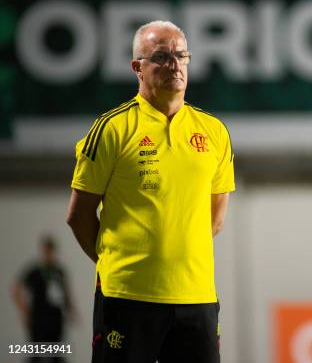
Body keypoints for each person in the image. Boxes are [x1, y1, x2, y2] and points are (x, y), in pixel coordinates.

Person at [66, 20, 235, 363]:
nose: (174, 64)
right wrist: (118, 263)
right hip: (127, 297)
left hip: (197, 299)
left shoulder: (214, 131)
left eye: (181, 55)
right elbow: (79, 217)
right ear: (137, 68)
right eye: (161, 56)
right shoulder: (112, 128)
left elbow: (215, 219)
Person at [12, 235, 76, 363]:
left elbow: (66, 293)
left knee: (56, 353)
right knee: (36, 353)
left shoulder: (59, 271)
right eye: (46, 251)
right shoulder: (35, 271)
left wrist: (71, 311)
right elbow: (16, 289)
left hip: (55, 318)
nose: (49, 254)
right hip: (38, 318)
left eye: (50, 250)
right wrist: (24, 310)